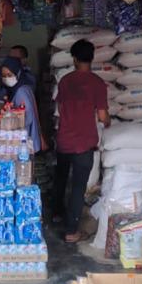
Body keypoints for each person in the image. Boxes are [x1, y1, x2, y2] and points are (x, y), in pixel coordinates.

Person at [53, 39, 110, 243]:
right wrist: (108, 122)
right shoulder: (97, 83)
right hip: (84, 142)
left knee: (60, 178)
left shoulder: (65, 81)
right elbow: (102, 116)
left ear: (74, 59)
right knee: (78, 186)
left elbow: (60, 109)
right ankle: (71, 232)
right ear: (92, 58)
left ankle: (56, 214)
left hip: (64, 139)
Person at [0, 56, 43, 153]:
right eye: (4, 75)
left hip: (25, 141)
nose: (6, 78)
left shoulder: (21, 91)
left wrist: (9, 121)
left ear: (18, 73)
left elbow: (28, 117)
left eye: (9, 75)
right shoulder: (23, 87)